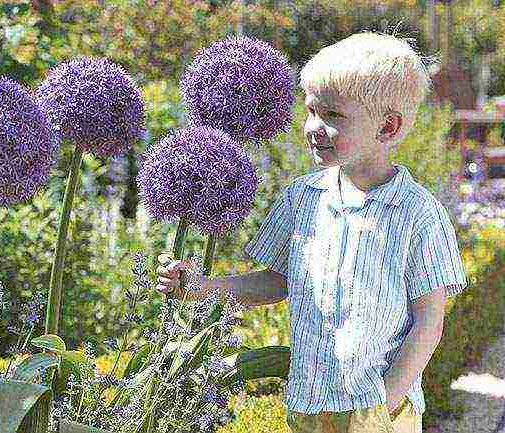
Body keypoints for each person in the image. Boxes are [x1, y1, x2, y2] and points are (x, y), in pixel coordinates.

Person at [156, 31, 467, 433]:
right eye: (311, 111)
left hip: (378, 411)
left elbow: (430, 321)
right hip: (307, 404)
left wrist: (385, 402)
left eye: (333, 116)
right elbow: (276, 281)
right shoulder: (301, 199)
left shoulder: (418, 214)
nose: (314, 127)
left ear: (388, 127)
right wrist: (200, 287)